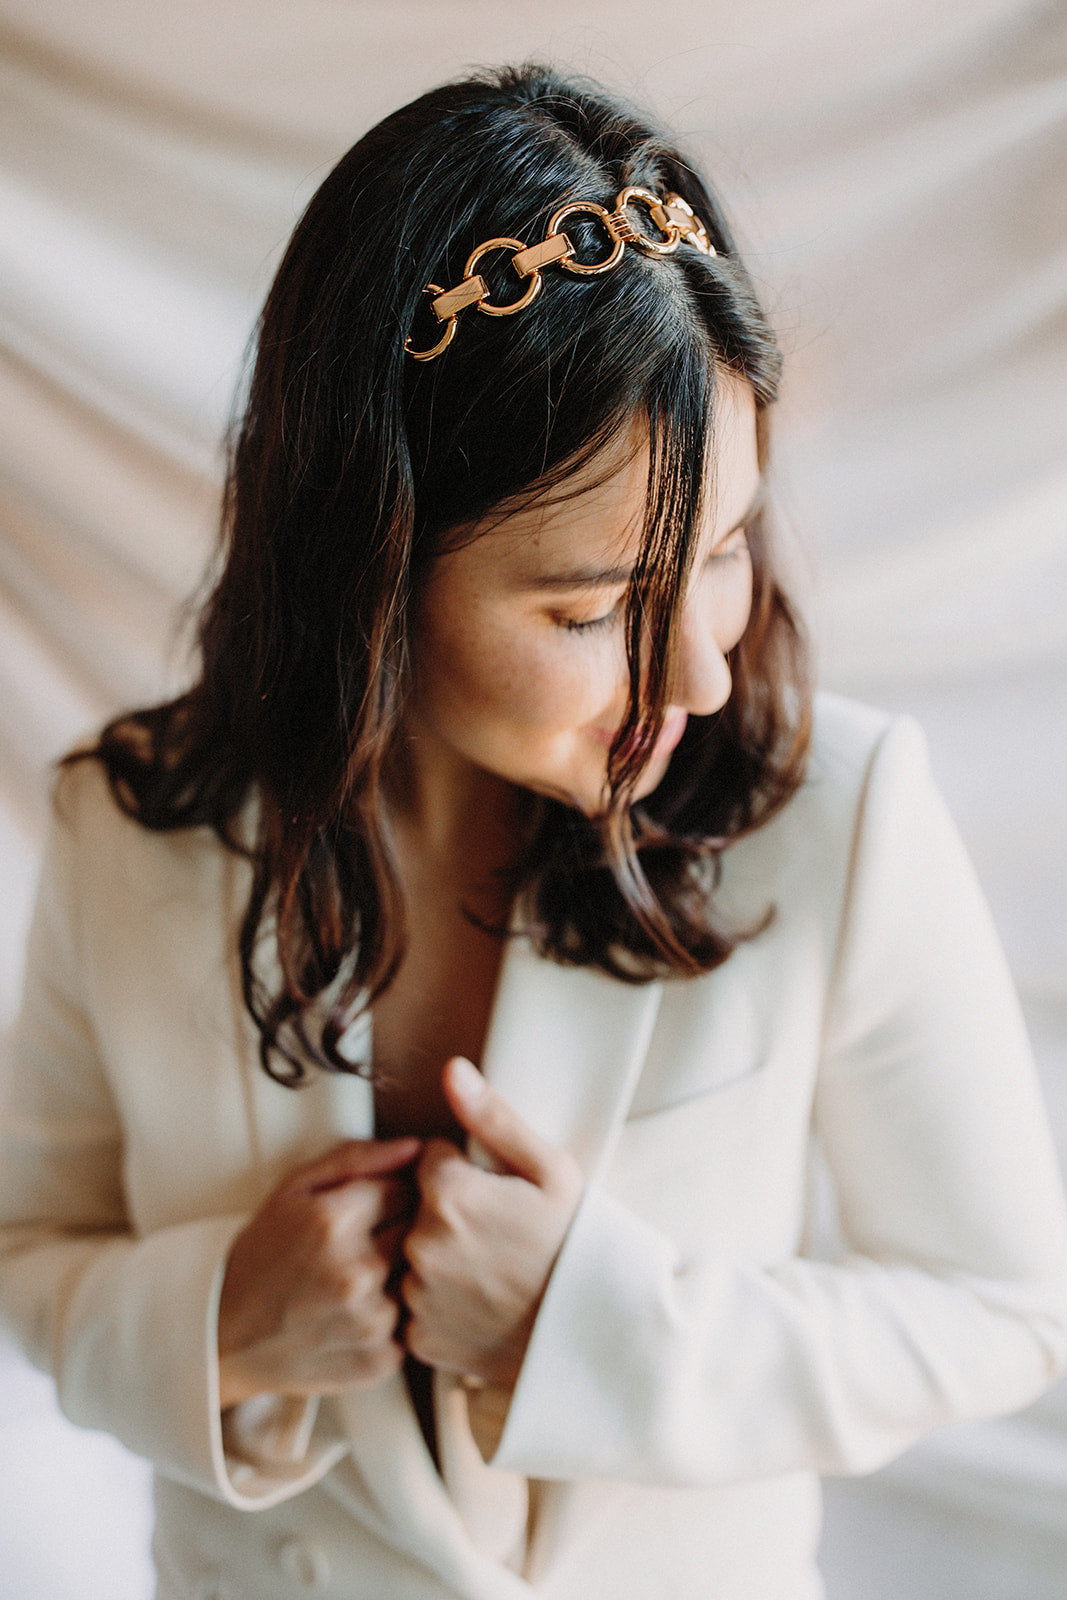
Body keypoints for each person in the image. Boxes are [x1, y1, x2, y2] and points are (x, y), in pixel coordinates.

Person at [1, 61, 1066, 1600]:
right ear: (373, 565)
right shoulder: (127, 829)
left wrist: (588, 1325)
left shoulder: (836, 814)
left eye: (720, 555)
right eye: (591, 610)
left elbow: (1008, 1311)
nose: (698, 670)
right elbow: (32, 1245)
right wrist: (217, 1323)